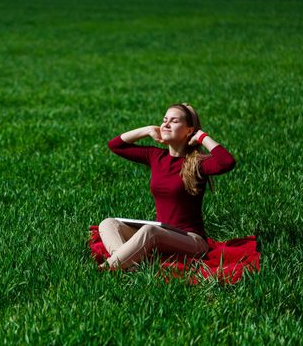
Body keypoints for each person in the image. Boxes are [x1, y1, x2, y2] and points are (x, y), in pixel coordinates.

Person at [98, 102, 236, 271]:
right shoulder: (156, 156)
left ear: (189, 130)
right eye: (164, 120)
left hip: (191, 240)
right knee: (108, 223)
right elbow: (115, 145)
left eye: (174, 121)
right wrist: (147, 129)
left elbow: (227, 162)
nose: (166, 124)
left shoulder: (197, 162)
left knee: (150, 231)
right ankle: (129, 264)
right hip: (160, 236)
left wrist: (201, 136)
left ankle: (107, 268)